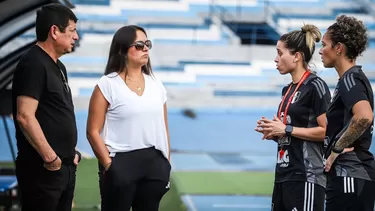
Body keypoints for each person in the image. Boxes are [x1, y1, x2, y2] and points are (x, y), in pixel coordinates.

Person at [86, 25, 171, 211]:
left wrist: (166, 164)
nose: (146, 48)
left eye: (147, 43)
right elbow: (92, 131)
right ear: (121, 49)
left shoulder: (157, 85)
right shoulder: (107, 84)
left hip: (154, 164)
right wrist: (110, 166)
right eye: (139, 45)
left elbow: (164, 128)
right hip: (120, 163)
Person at [11, 3, 81, 211]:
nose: (76, 37)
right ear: (54, 31)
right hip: (44, 170)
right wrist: (50, 157)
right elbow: (24, 115)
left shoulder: (59, 67)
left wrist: (71, 154)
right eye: (72, 31)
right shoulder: (33, 63)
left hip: (63, 167)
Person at [255, 24, 331, 211]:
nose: (275, 59)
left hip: (307, 177)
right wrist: (276, 133)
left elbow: (327, 132)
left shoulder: (315, 86)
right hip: (283, 175)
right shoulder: (286, 90)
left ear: (296, 56)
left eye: (280, 53)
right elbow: (293, 134)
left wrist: (286, 129)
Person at [321, 15, 375, 211]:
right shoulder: (350, 80)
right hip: (349, 175)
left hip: (351, 174)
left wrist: (336, 148)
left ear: (338, 48)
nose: (320, 50)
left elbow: (364, 117)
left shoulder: (350, 80)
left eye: (324, 44)